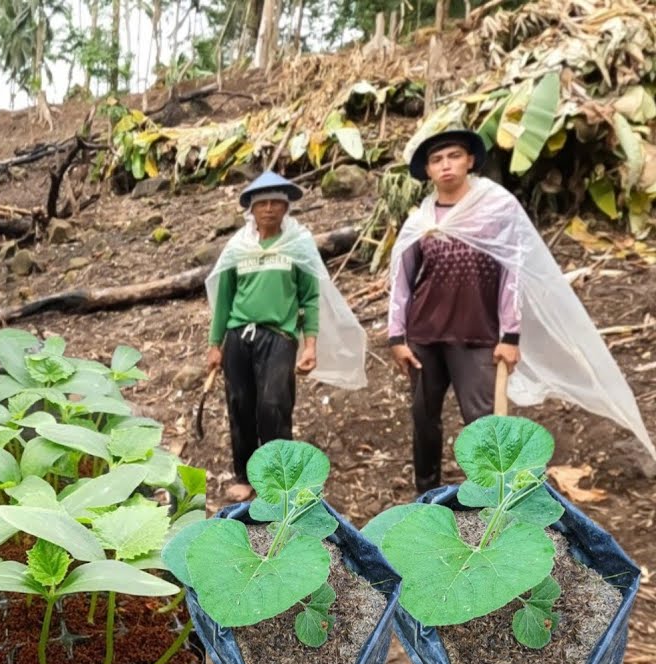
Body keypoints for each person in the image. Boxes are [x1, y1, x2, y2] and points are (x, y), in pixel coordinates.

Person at [388, 124, 656, 492]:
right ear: (428, 171)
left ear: (469, 161)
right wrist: (397, 336)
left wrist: (510, 336)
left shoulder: (495, 209)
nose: (446, 165)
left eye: (453, 156)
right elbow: (402, 282)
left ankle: (489, 496)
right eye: (436, 160)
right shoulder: (421, 220)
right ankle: (426, 492)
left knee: (483, 422)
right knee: (424, 418)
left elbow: (512, 274)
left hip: (477, 333)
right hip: (425, 335)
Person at [205, 171, 367, 501]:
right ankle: (245, 474)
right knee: (240, 405)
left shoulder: (298, 246)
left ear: (286, 208)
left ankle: (279, 478)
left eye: (276, 203)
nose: (268, 209)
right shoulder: (239, 247)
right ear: (250, 209)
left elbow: (309, 298)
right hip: (238, 336)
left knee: (274, 404)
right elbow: (224, 300)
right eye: (261, 203)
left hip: (279, 336)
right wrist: (214, 344)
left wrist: (310, 345)